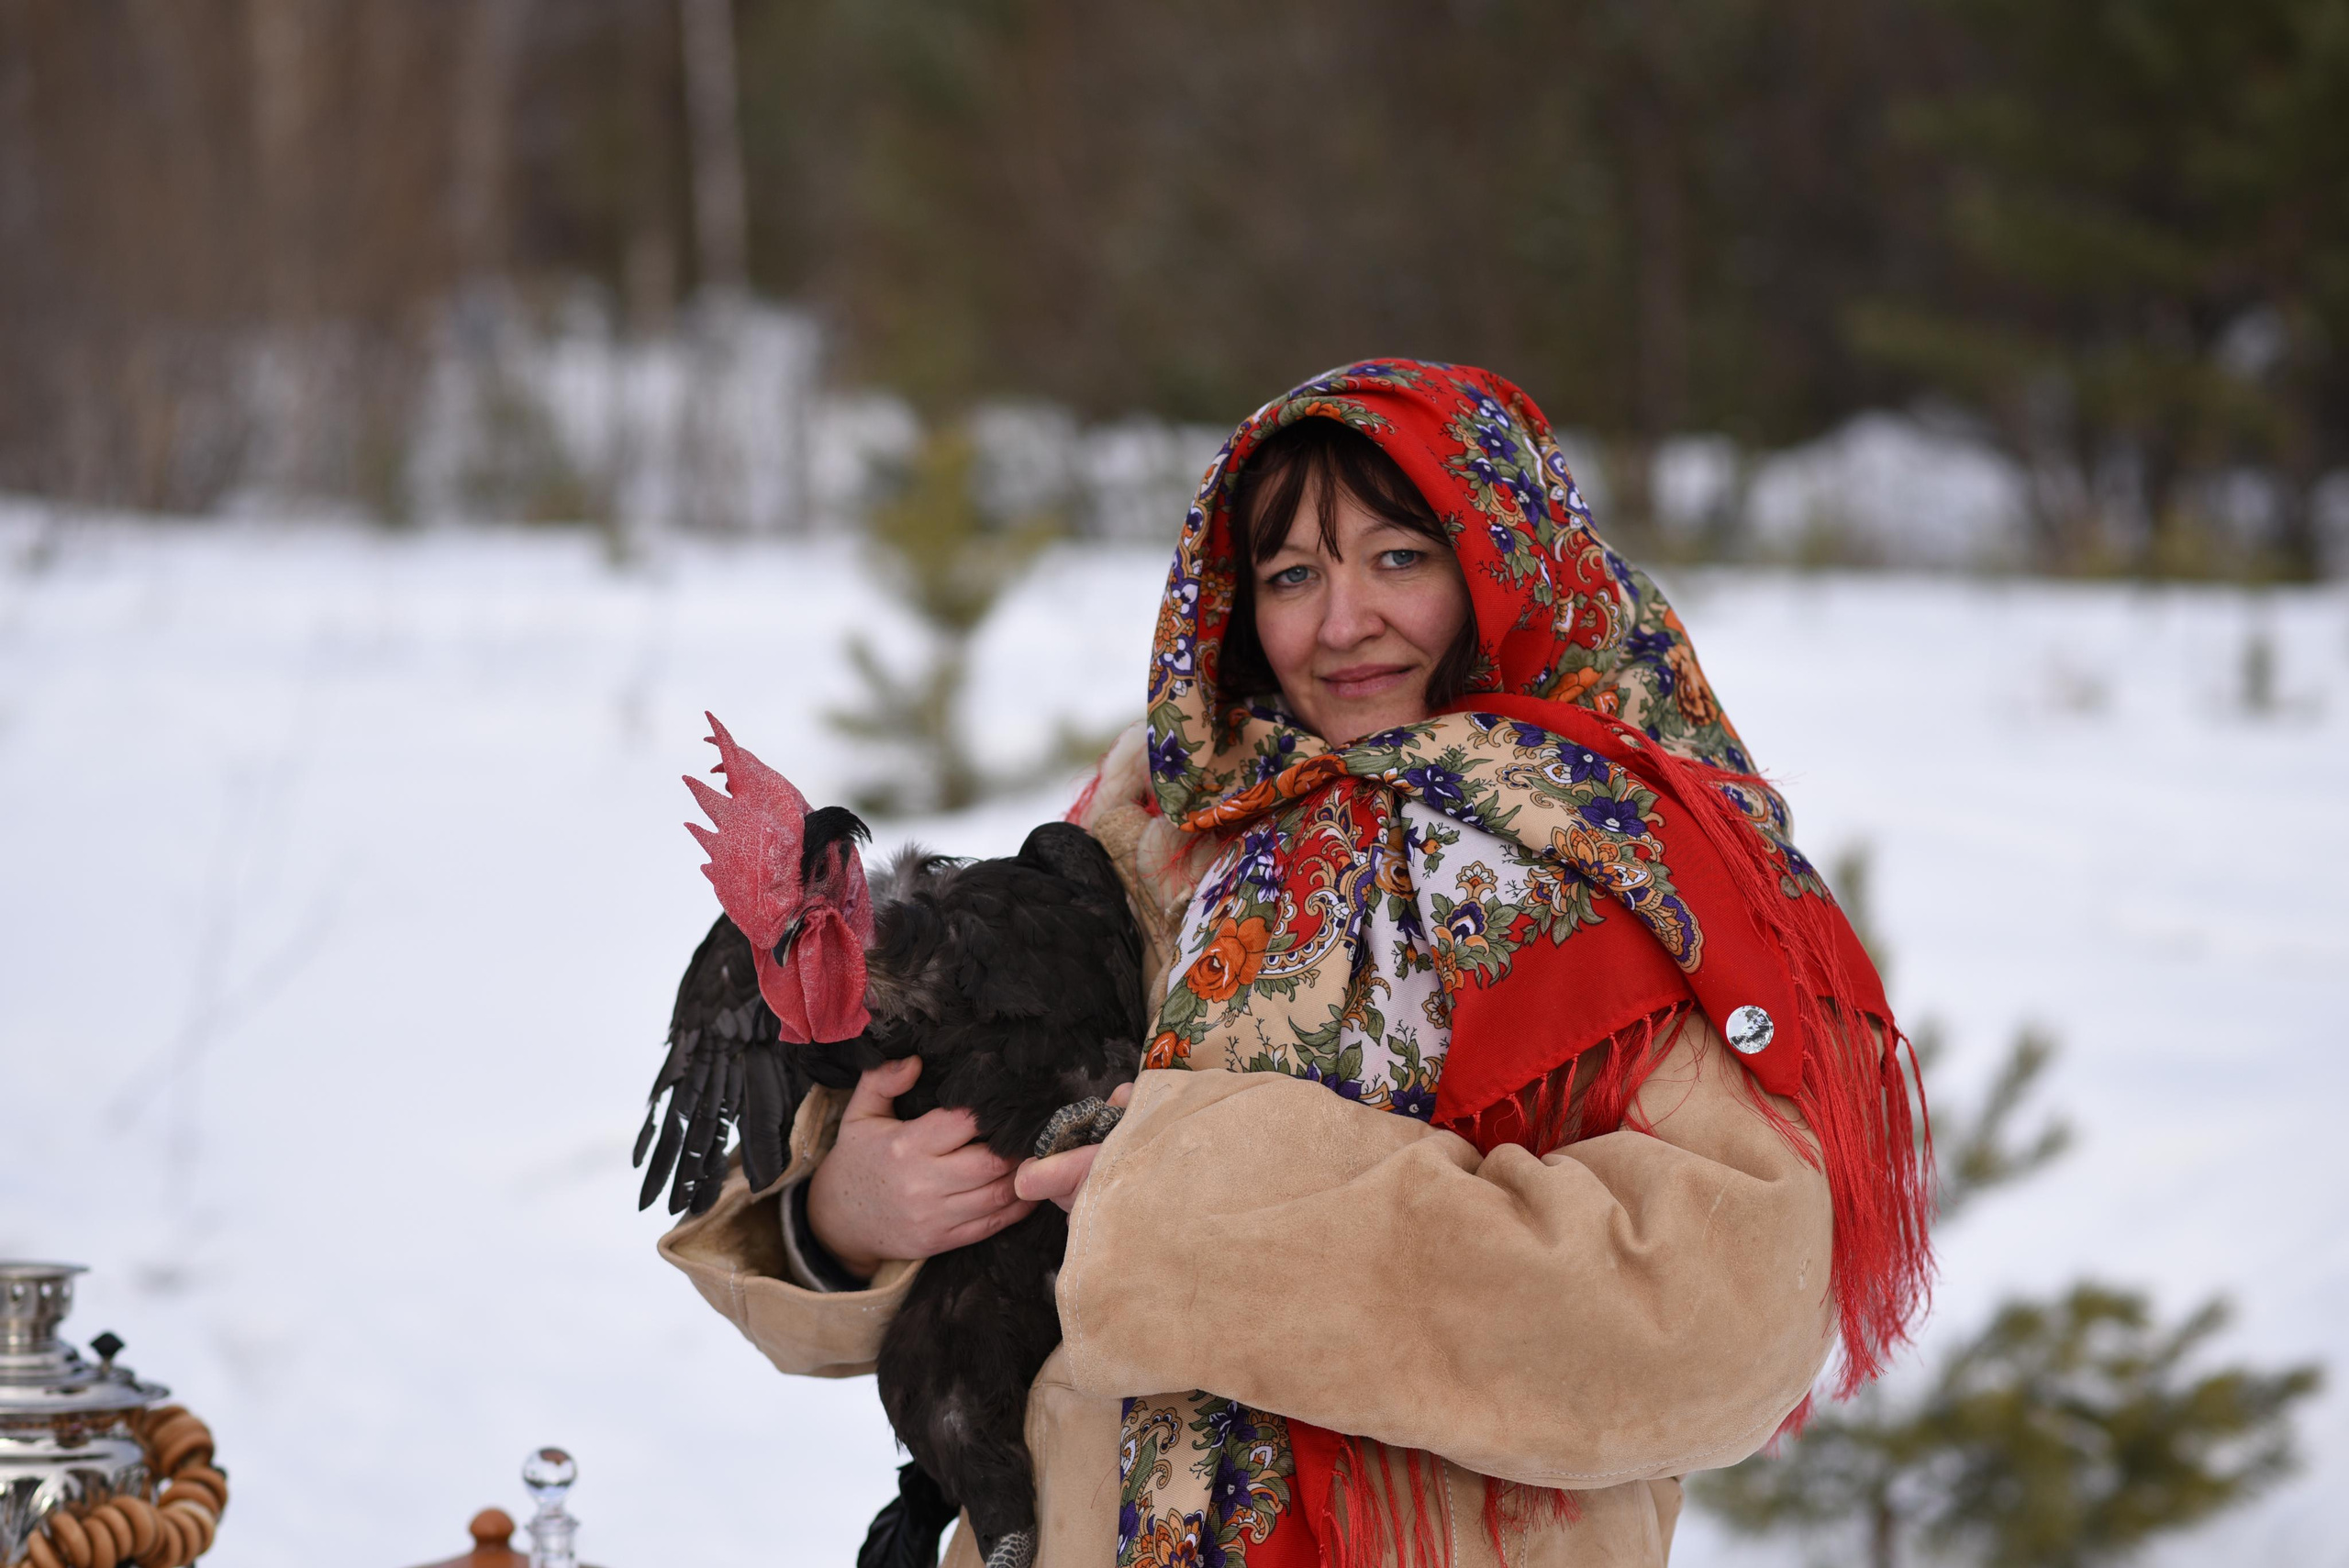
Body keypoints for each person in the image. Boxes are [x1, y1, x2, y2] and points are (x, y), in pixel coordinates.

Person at [660, 360, 1931, 1568]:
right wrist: (848, 1216)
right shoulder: (1165, 824)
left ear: (1505, 565)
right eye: (1288, 572)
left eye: (1399, 558)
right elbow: (961, 1160)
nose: (1342, 622)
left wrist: (1201, 1205)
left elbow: (1715, 1322)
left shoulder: (1624, 867)